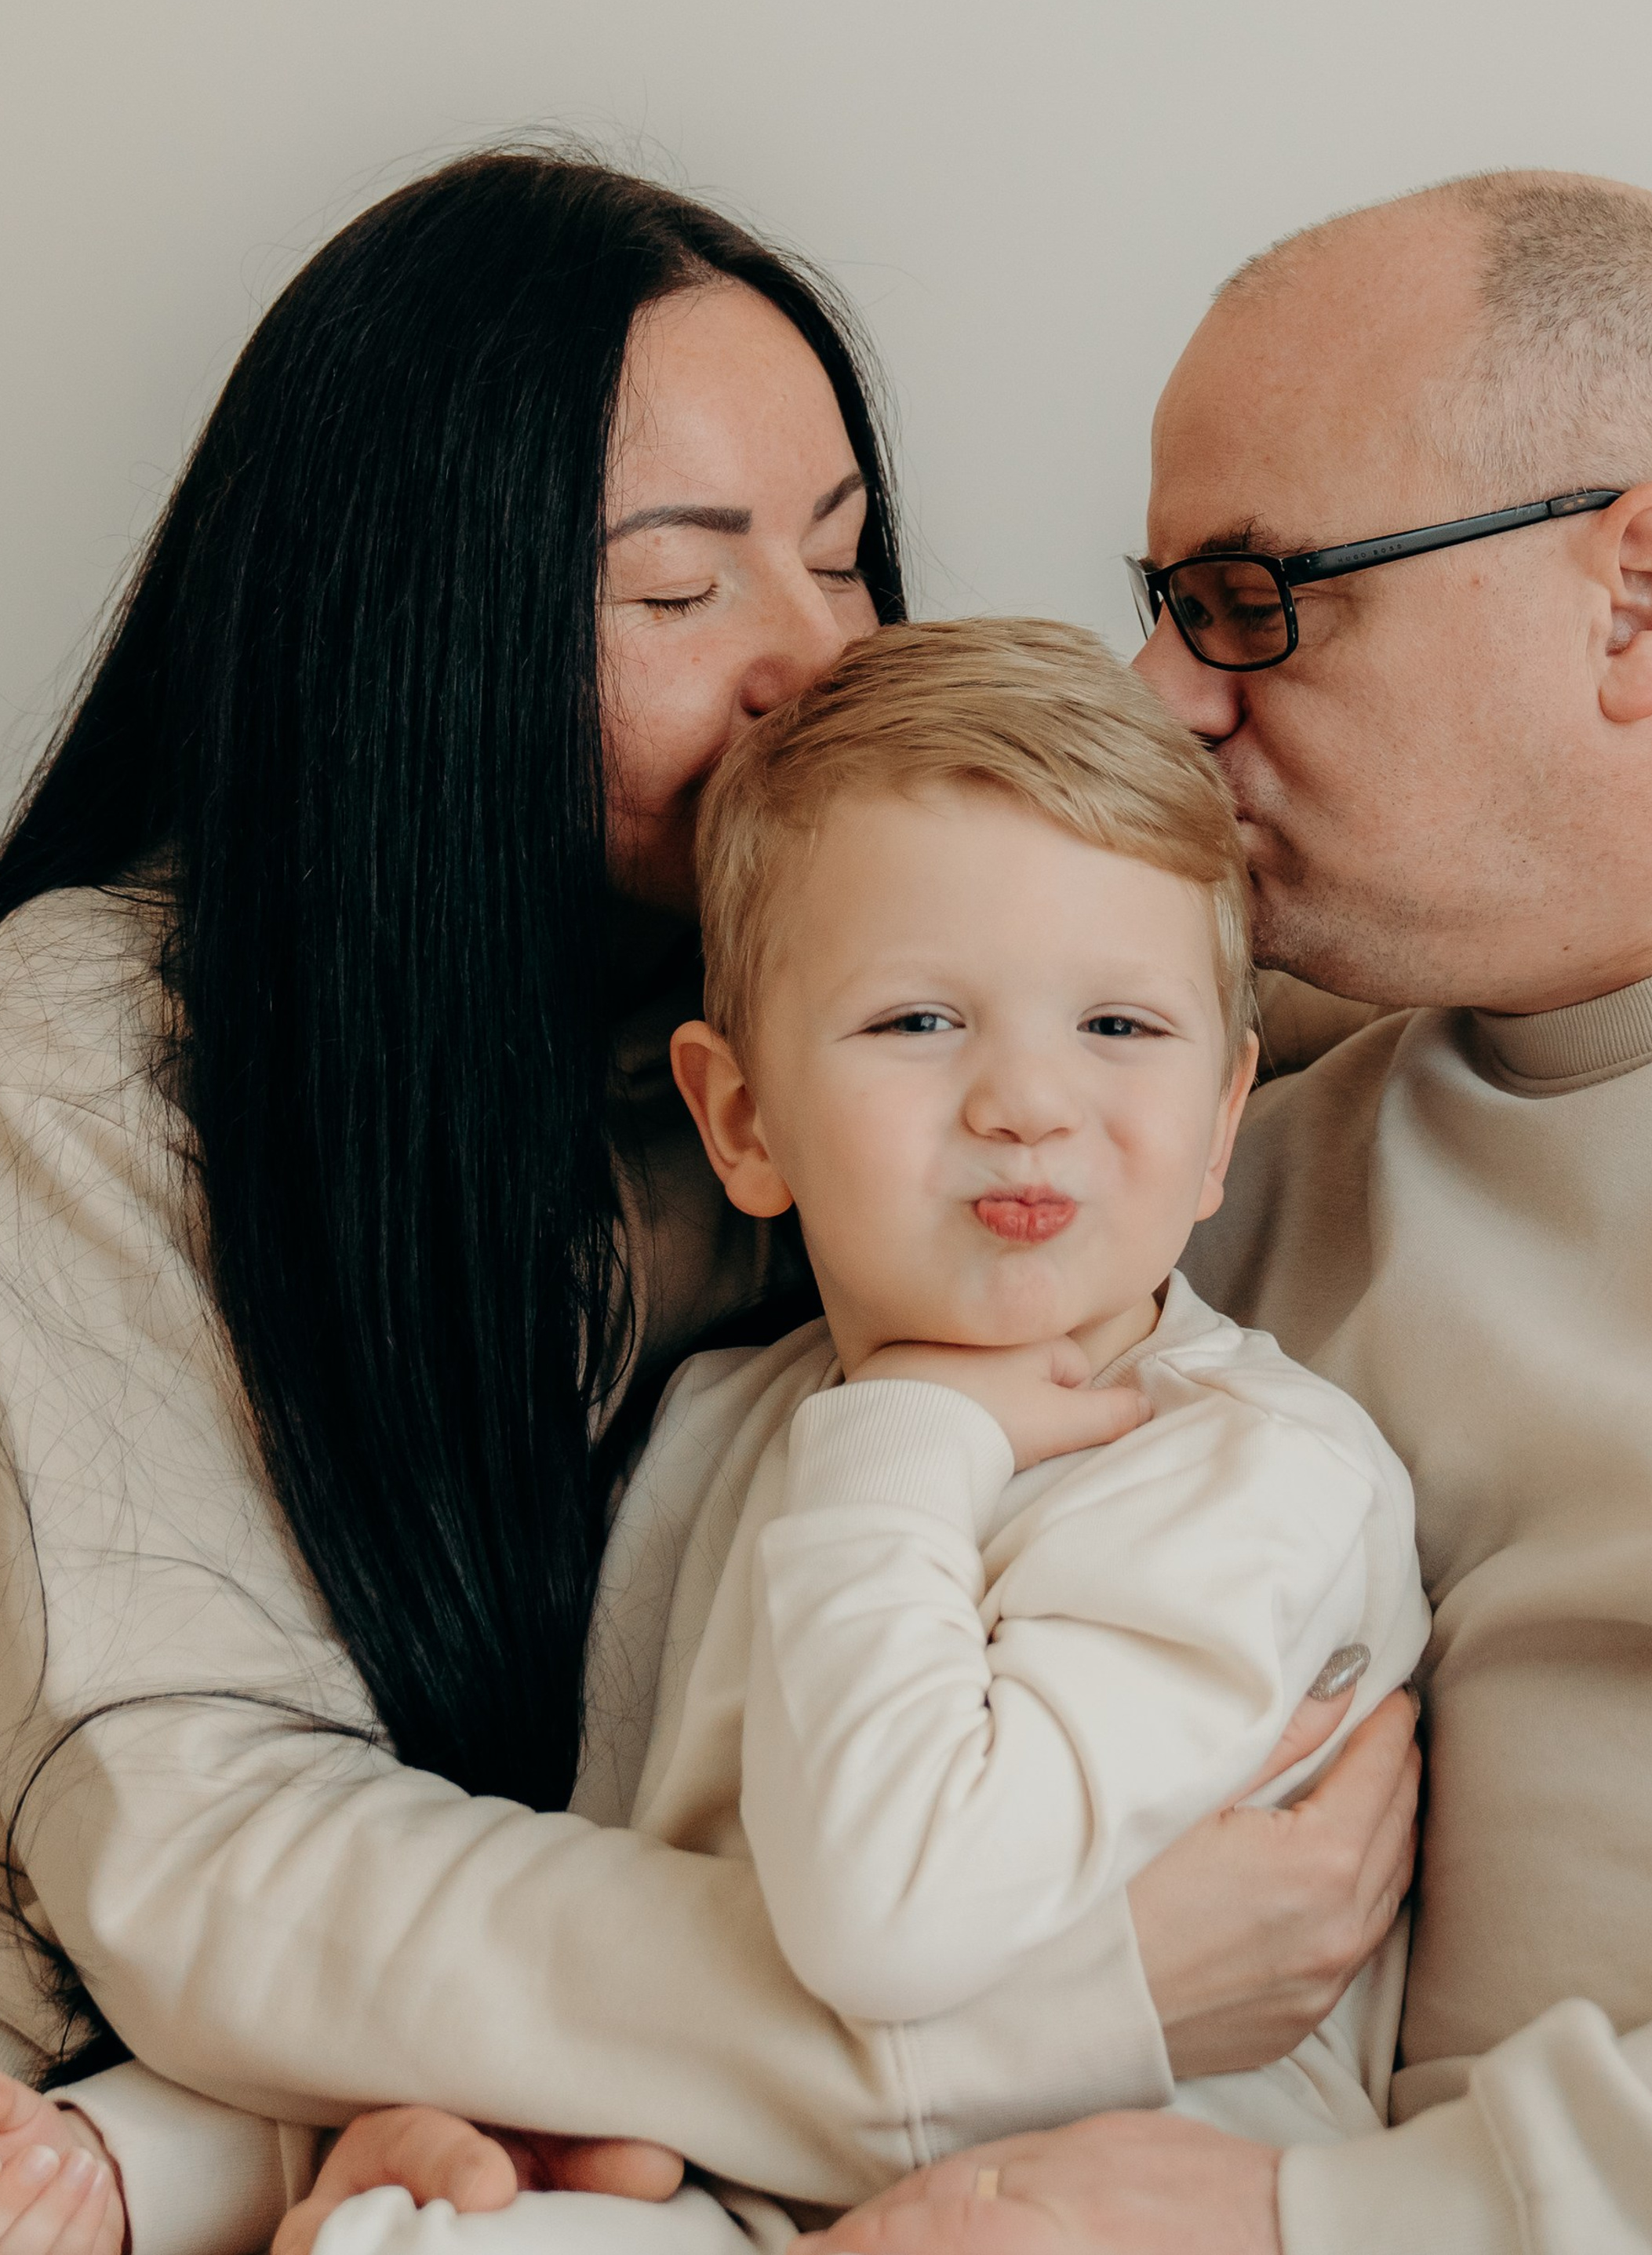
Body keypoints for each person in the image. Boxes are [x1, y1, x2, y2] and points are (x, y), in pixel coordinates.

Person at [0, 152, 1415, 2255]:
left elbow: (1211, 986)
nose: (810, 663)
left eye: (845, 564)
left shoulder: (896, 1040)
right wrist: (1039, 2018)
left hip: (495, 2114)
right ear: (420, 641)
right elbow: (206, 1857)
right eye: (681, 593)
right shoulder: (108, 1063)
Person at [802, 170, 1652, 2253]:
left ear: (1639, 597)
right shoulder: (1196, 1141)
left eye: (1252, 598)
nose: (1167, 693)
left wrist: (1325, 2227)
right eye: (1167, 603)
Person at [268, 617, 1431, 2254]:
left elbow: (896, 1917)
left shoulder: (1249, 1478)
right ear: (741, 1120)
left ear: (1222, 1119)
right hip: (753, 2173)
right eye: (916, 1023)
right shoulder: (725, 1421)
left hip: (1099, 2214)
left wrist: (903, 1446)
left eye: (1117, 1027)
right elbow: (578, 1897)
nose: (1023, 1099)